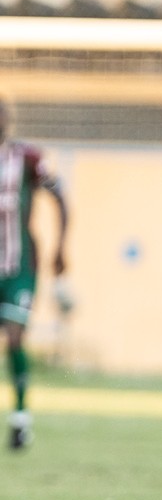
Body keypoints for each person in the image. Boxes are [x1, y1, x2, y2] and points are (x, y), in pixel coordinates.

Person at [0, 99, 70, 450]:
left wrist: (60, 247)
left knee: (14, 338)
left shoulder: (26, 158)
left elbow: (59, 197)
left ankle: (20, 418)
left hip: (20, 268)